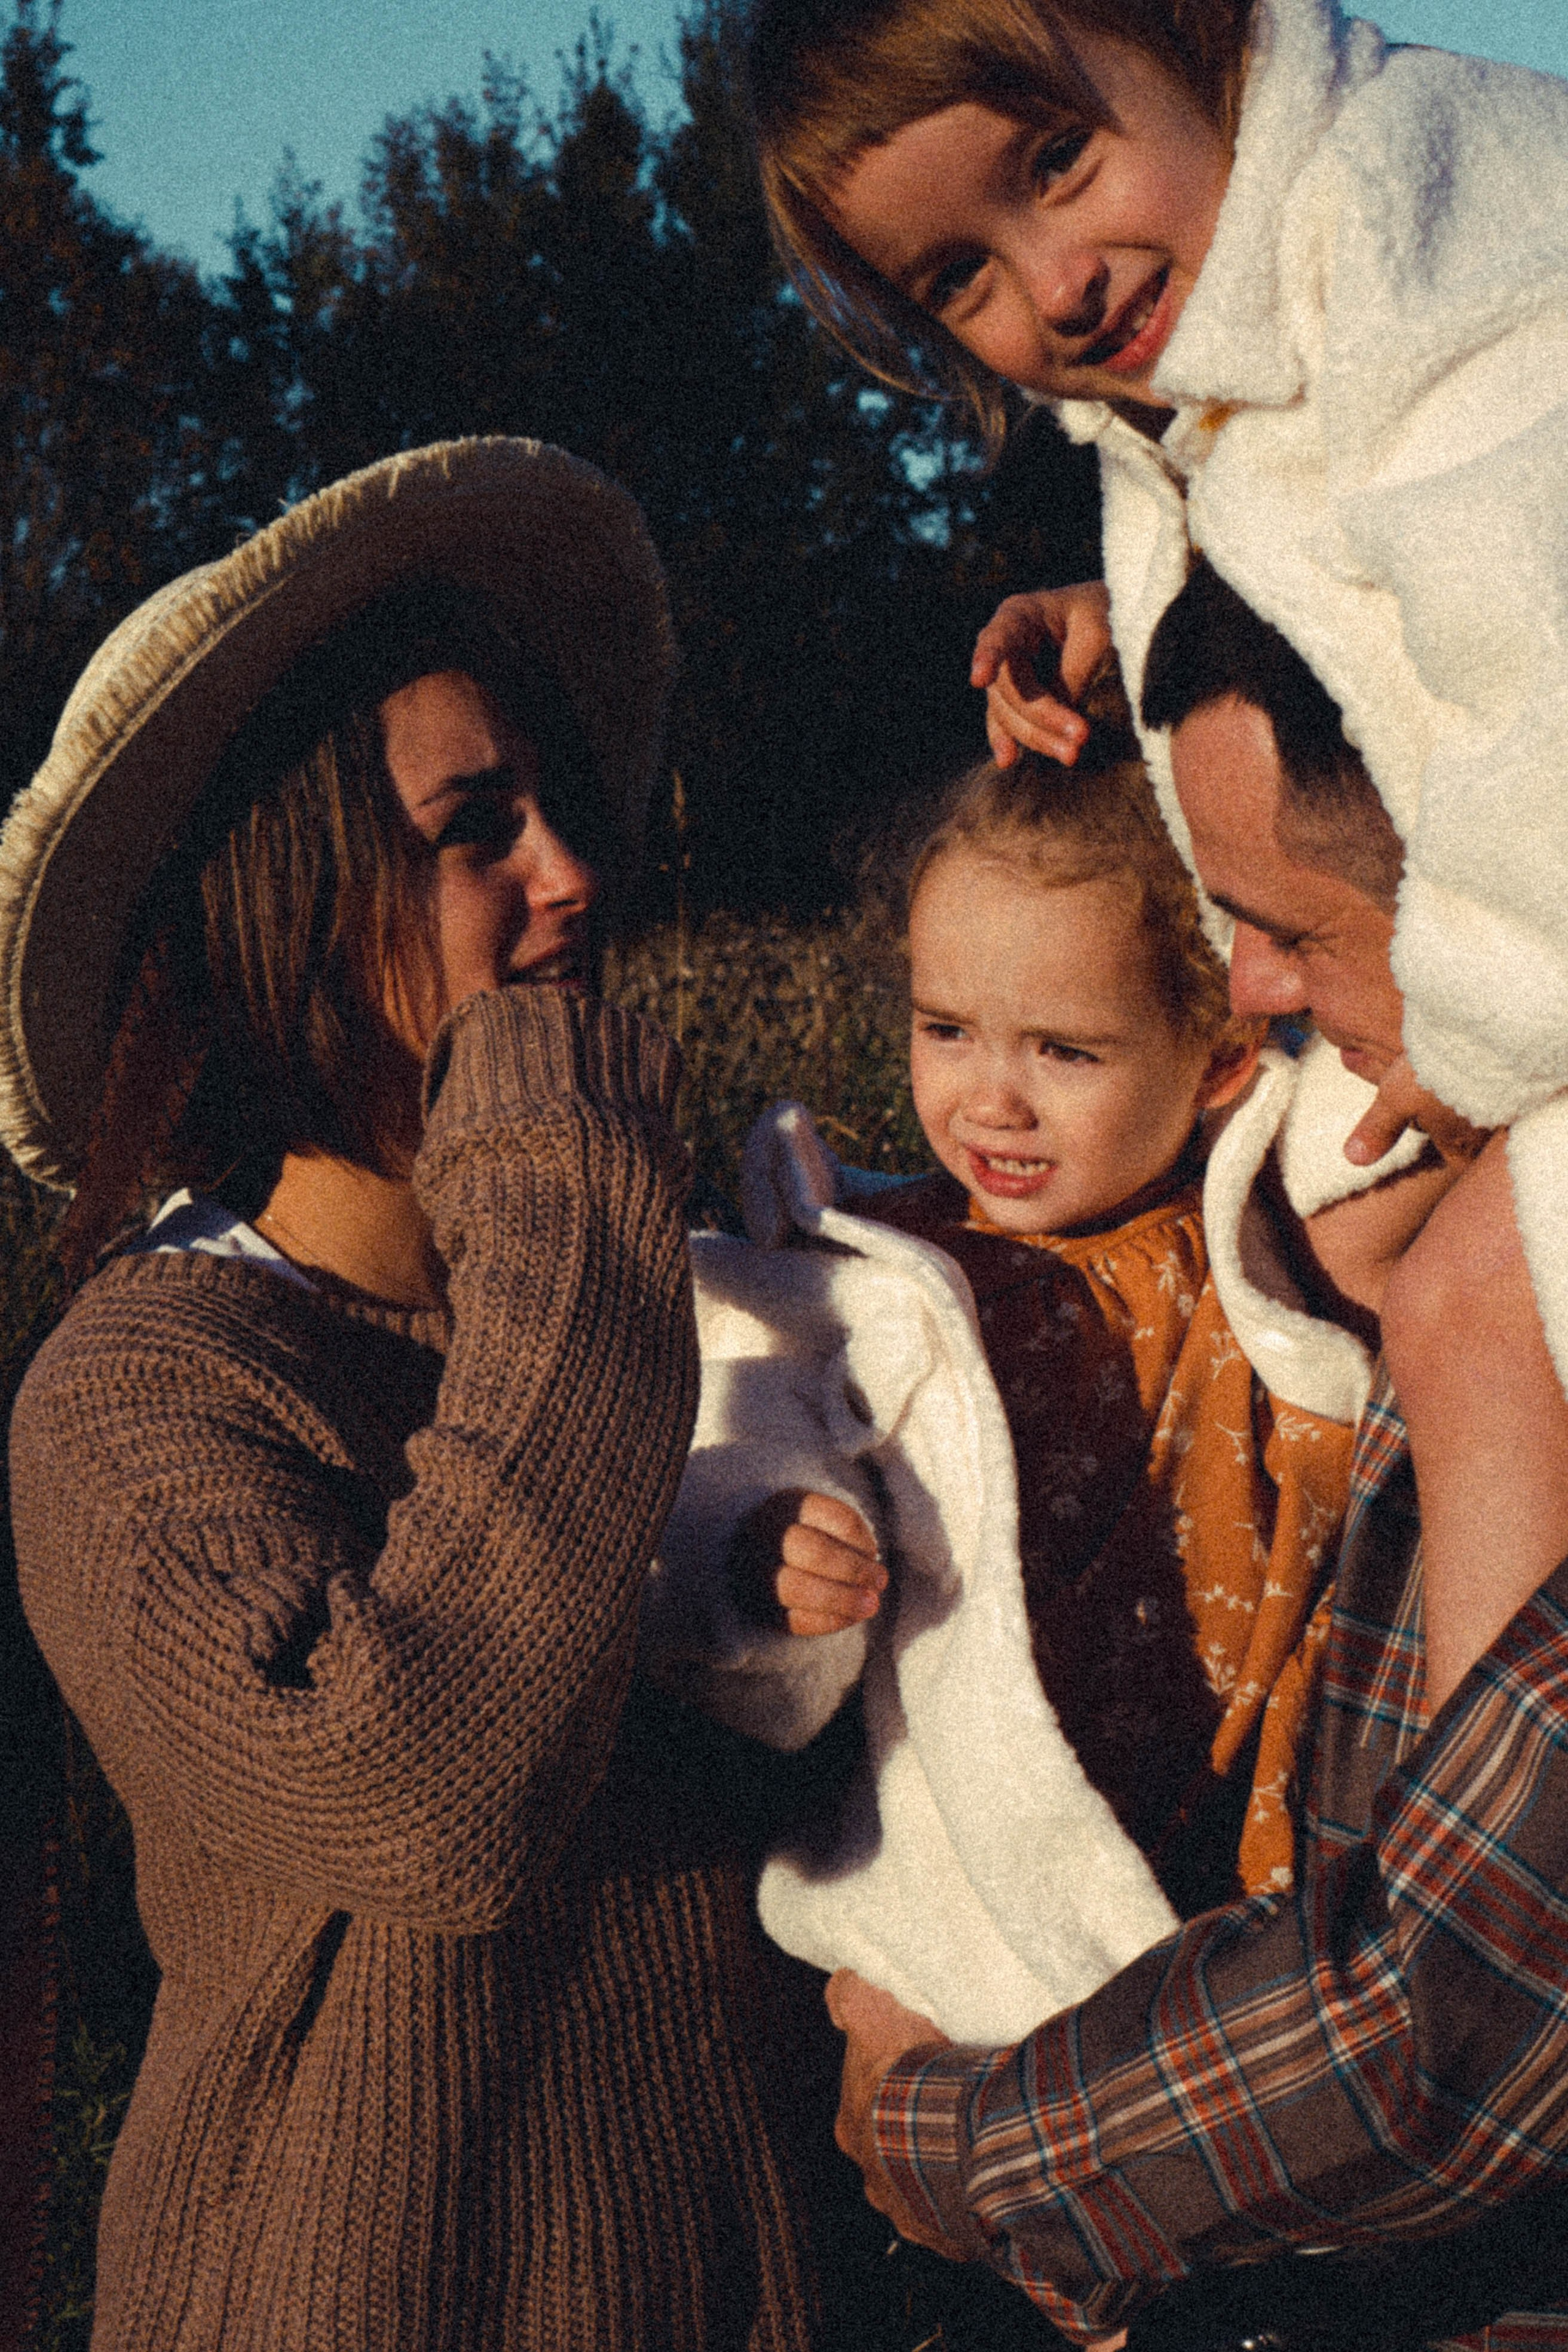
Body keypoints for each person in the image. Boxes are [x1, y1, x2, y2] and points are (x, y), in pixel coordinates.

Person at [2, 439, 850, 2352]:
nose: (575, 873)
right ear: (289, 897)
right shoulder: (143, 1395)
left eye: (558, 805)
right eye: (477, 827)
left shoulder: (653, 1286)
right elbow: (426, 1799)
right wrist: (554, 1154)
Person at [816, 560, 1568, 2347]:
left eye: (1297, 937)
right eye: (946, 1030)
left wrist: (946, 2134)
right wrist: (1169, 599)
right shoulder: (889, 1268)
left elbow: (1441, 2032)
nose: (1262, 989)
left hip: (1212, 2117)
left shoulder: (1364, 1240)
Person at [745, 0, 1568, 1392]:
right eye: (959, 277)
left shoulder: (1414, 200)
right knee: (1339, 1227)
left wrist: (1481, 1018)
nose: (1052, 283)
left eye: (1055, 158)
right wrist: (1137, 627)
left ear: (1191, 24)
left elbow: (1537, 635)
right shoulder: (1183, 380)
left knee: (1466, 1299)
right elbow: (1350, 559)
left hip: (1534, 942)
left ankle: (1487, 1618)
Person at [764, 703, 1389, 1916]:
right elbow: (738, 1470)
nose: (989, 1101)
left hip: (1206, 1864)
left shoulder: (1255, 1240)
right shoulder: (871, 1266)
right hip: (952, 1862)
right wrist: (766, 1552)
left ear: (1214, 1057)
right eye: (945, 1029)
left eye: (1064, 1052)